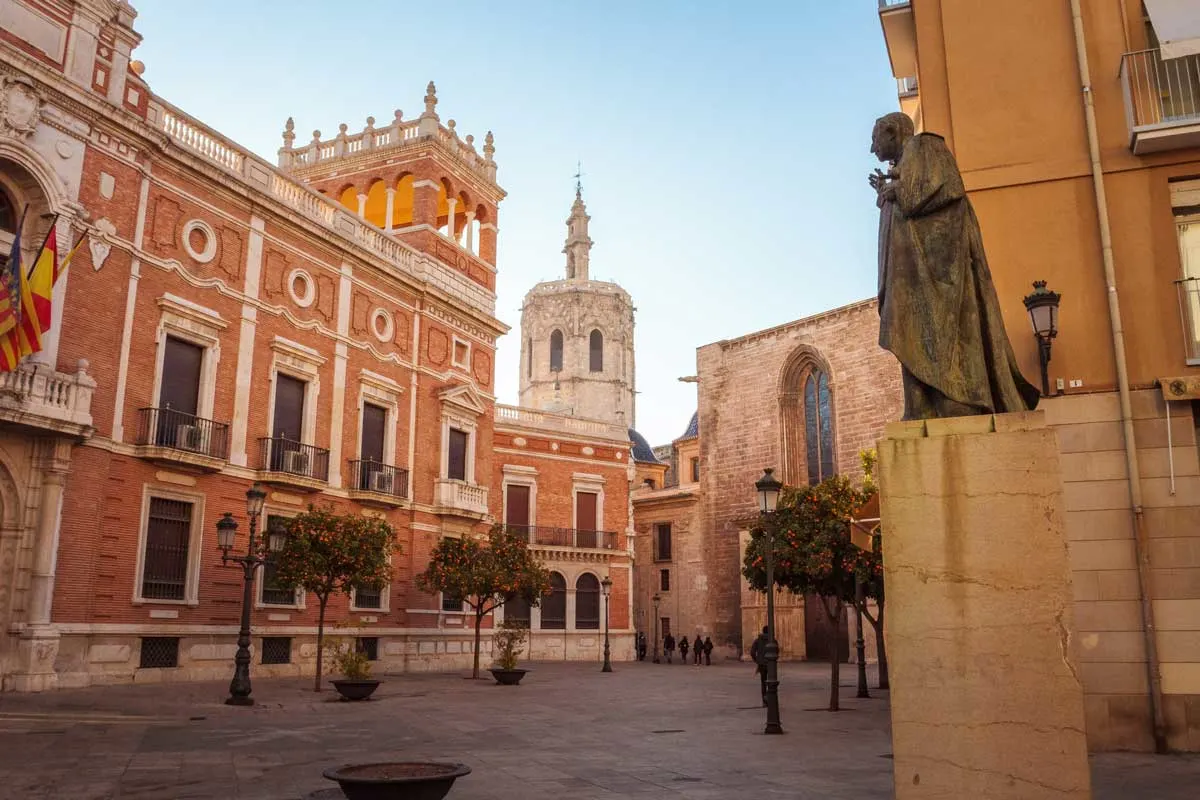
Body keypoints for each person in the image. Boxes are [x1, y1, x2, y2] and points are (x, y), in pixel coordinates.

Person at [870, 111, 1039, 421]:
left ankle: (956, 397)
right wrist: (887, 193)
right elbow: (911, 200)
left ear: (893, 132)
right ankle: (919, 406)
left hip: (936, 271)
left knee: (939, 329)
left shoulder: (926, 147)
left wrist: (896, 191)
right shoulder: (907, 161)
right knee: (906, 329)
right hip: (911, 272)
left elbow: (942, 189)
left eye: (875, 140)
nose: (873, 149)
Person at [750, 626, 769, 706]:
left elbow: (752, 652)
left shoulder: (757, 641)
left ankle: (764, 701)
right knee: (772, 682)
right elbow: (777, 650)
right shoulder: (773, 640)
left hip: (761, 664)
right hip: (770, 664)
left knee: (763, 683)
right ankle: (770, 699)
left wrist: (757, 660)